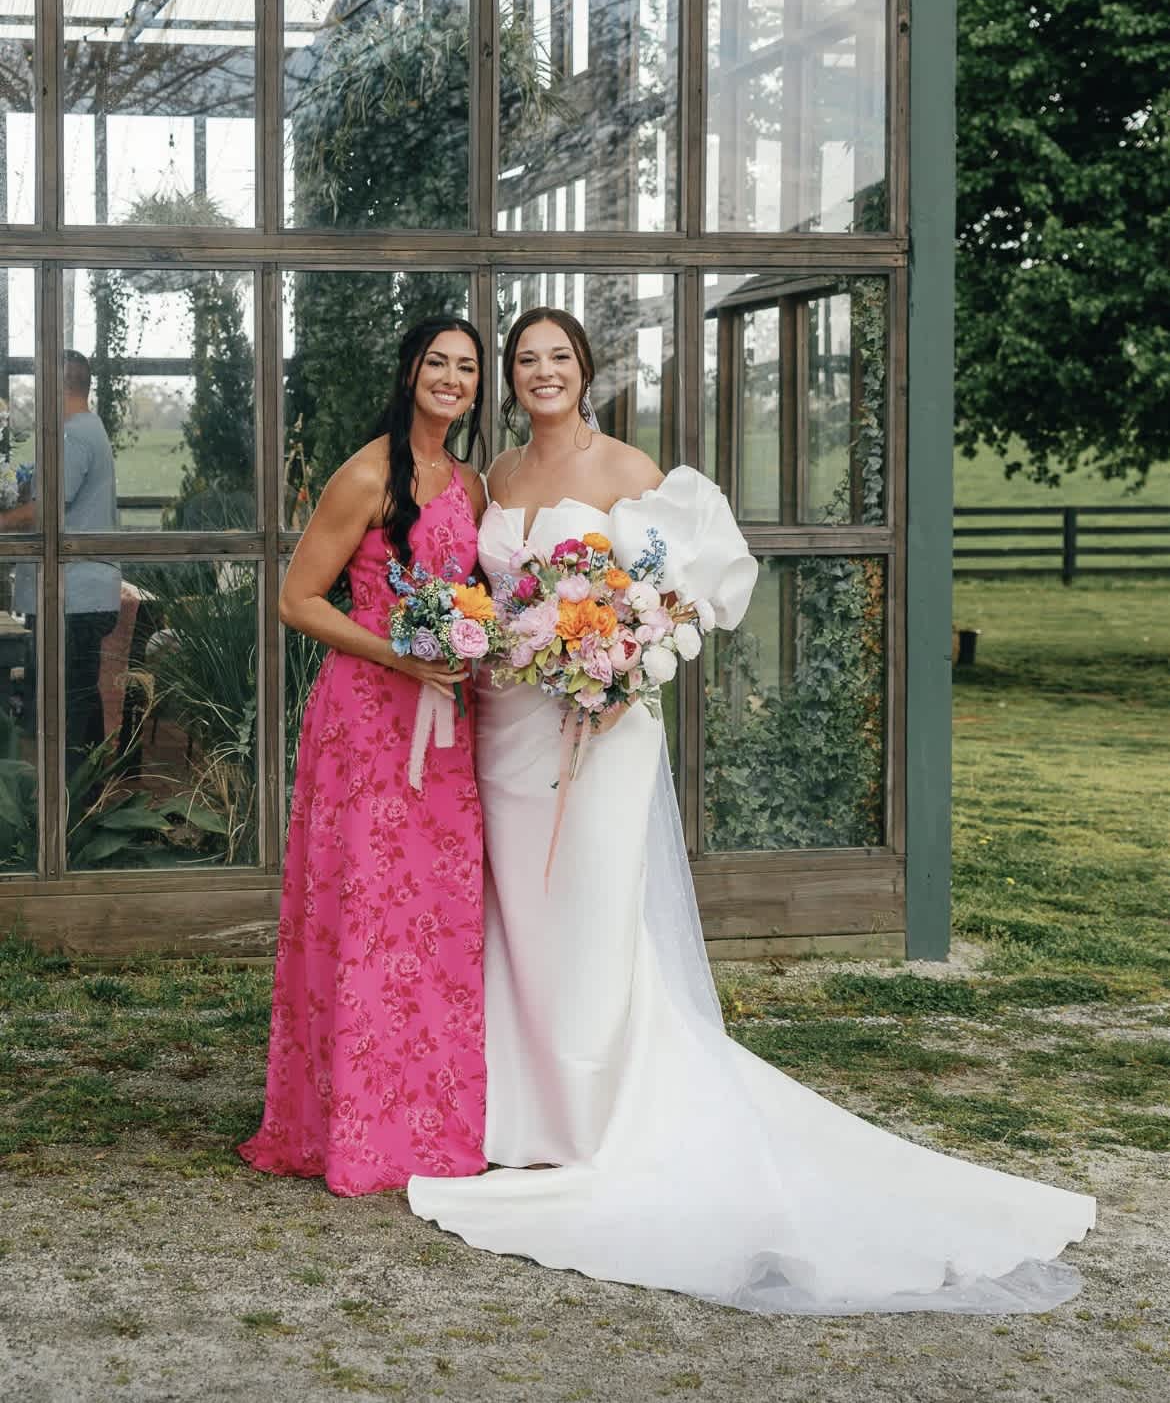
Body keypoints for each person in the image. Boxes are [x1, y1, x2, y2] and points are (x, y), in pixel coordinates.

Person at [407, 307, 1096, 1314]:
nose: (541, 372)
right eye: (526, 360)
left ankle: (596, 1119)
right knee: (521, 919)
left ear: (585, 370)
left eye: (558, 357)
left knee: (592, 916)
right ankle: (520, 1115)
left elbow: (684, 593)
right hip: (508, 725)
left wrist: (624, 663)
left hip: (600, 730)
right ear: (510, 380)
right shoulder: (499, 476)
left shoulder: (629, 468)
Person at [239, 317, 490, 1196]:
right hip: (367, 720)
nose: (451, 379)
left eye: (467, 368)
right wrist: (397, 653)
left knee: (434, 913)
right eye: (437, 363)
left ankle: (428, 1115)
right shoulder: (367, 474)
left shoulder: (472, 484)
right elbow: (297, 599)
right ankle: (348, 1123)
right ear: (410, 372)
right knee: (365, 908)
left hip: (445, 725)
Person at [2, 350, 120, 781]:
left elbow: (46, 509)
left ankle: (70, 799)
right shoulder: (89, 429)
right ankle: (87, 796)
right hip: (82, 593)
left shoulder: (71, 437)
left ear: (56, 386)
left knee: (66, 705)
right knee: (80, 699)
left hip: (73, 594)